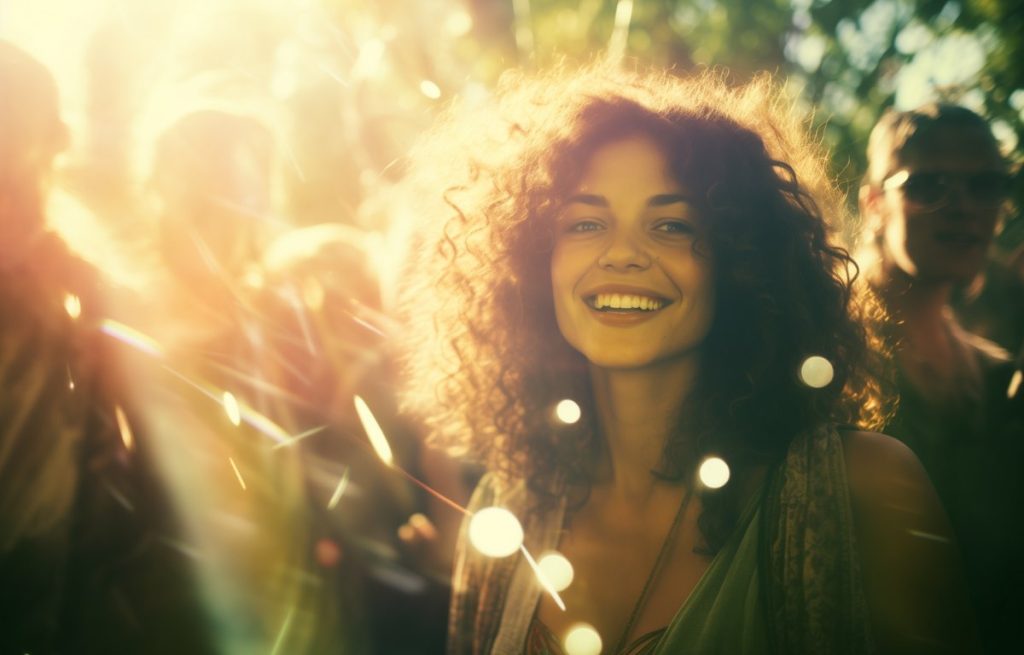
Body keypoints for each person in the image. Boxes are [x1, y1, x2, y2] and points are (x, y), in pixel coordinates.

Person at [399, 65, 977, 654]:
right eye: (586, 222)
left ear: (739, 264)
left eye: (672, 225)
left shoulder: (864, 489)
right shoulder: (503, 510)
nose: (622, 254)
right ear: (531, 263)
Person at [858, 103, 1024, 652]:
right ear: (875, 203)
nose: (963, 208)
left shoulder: (1002, 379)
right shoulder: (828, 358)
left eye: (985, 186)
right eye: (930, 184)